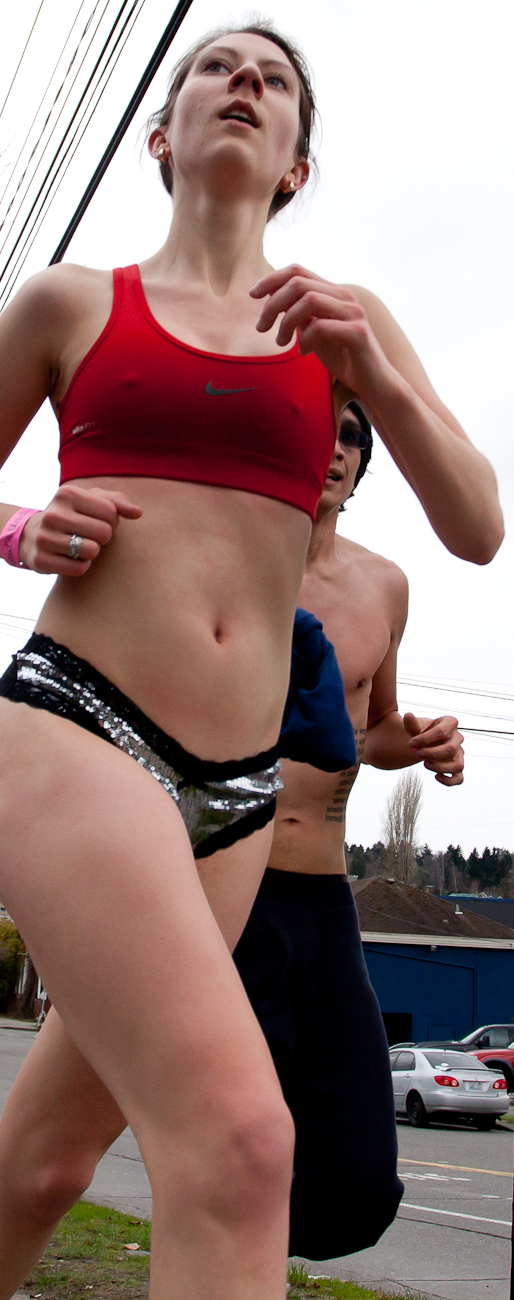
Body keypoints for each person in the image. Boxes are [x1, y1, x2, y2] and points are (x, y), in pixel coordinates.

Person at [0, 22, 502, 1299]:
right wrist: (18, 526)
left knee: (47, 1162)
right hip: (76, 727)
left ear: (296, 165)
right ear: (161, 136)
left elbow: (477, 524)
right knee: (240, 1144)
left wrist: (374, 372)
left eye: (276, 81)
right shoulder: (75, 301)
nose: (246, 82)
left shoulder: (346, 320)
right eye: (218, 68)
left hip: (238, 793)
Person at [234, 400, 465, 1261]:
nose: (334, 449)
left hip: (324, 900)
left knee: (357, 1184)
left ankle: (230, 1251)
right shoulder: (225, 562)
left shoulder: (383, 585)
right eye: (317, 426)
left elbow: (371, 728)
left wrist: (425, 741)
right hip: (222, 888)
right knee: (233, 1150)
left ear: (361, 465)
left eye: (351, 437)